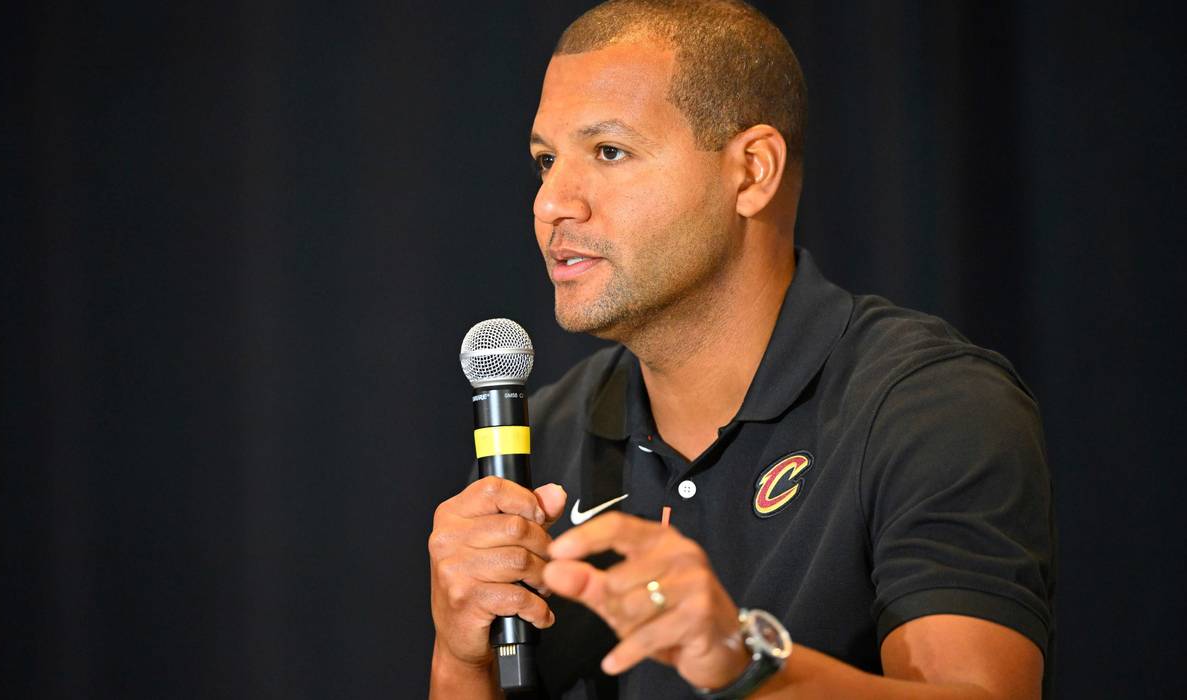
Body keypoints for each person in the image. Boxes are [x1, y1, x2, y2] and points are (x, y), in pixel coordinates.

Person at [428, 1, 1054, 698]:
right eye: (545, 161)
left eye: (608, 151)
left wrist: (743, 661)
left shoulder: (930, 405)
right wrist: (461, 659)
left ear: (752, 172)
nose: (551, 203)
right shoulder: (541, 434)